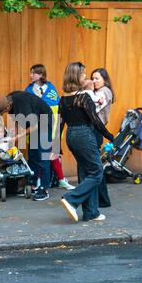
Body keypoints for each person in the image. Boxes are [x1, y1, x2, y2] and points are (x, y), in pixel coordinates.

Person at [58, 62, 114, 222]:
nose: (86, 77)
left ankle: (91, 212)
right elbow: (96, 121)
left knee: (85, 172)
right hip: (84, 134)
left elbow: (60, 124)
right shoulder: (83, 97)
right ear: (77, 76)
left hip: (71, 136)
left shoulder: (63, 99)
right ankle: (71, 199)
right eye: (83, 74)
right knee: (96, 172)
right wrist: (110, 136)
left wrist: (56, 145)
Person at [0, 91, 53, 201]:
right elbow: (16, 120)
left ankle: (44, 189)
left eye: (4, 111)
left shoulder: (22, 105)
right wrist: (13, 136)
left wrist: (17, 137)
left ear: (8, 105)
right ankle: (33, 185)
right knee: (33, 155)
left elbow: (34, 127)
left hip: (44, 121)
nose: (5, 113)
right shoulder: (8, 100)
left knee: (42, 156)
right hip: (34, 123)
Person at [25, 64, 75, 190]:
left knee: (48, 155)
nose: (31, 75)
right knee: (34, 155)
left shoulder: (51, 88)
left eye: (33, 73)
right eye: (30, 73)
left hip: (50, 126)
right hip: (35, 127)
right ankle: (34, 182)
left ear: (41, 74)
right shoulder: (29, 90)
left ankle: (48, 184)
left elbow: (57, 108)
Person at [89, 68, 116, 207]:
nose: (94, 81)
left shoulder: (104, 92)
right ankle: (101, 199)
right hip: (93, 130)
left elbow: (94, 109)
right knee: (95, 166)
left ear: (104, 79)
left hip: (96, 130)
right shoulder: (95, 92)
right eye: (92, 78)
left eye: (97, 78)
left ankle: (103, 199)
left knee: (95, 166)